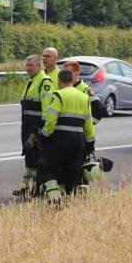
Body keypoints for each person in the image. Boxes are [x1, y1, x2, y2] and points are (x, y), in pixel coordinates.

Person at [39, 68, 91, 203]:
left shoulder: (57, 95)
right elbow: (89, 124)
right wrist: (90, 144)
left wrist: (44, 138)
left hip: (60, 140)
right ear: (72, 80)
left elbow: (50, 121)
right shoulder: (84, 97)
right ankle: (70, 201)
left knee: (47, 170)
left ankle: (55, 200)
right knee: (73, 173)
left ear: (59, 80)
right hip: (78, 141)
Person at [14, 54, 54, 197]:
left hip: (35, 129)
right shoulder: (31, 81)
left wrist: (38, 131)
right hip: (27, 128)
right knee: (29, 159)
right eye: (27, 65)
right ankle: (25, 188)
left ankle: (38, 189)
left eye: (31, 65)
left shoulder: (44, 81)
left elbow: (47, 108)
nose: (28, 68)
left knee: (38, 160)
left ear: (39, 66)